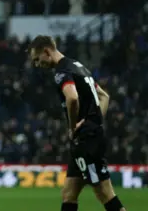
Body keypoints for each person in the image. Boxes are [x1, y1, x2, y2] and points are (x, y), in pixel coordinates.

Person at [27, 35, 127, 211]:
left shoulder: (62, 71)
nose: (37, 64)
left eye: (37, 59)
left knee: (105, 193)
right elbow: (104, 96)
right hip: (86, 137)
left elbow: (72, 98)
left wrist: (73, 127)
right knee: (69, 194)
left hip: (86, 140)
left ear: (46, 52)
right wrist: (94, 121)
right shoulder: (78, 67)